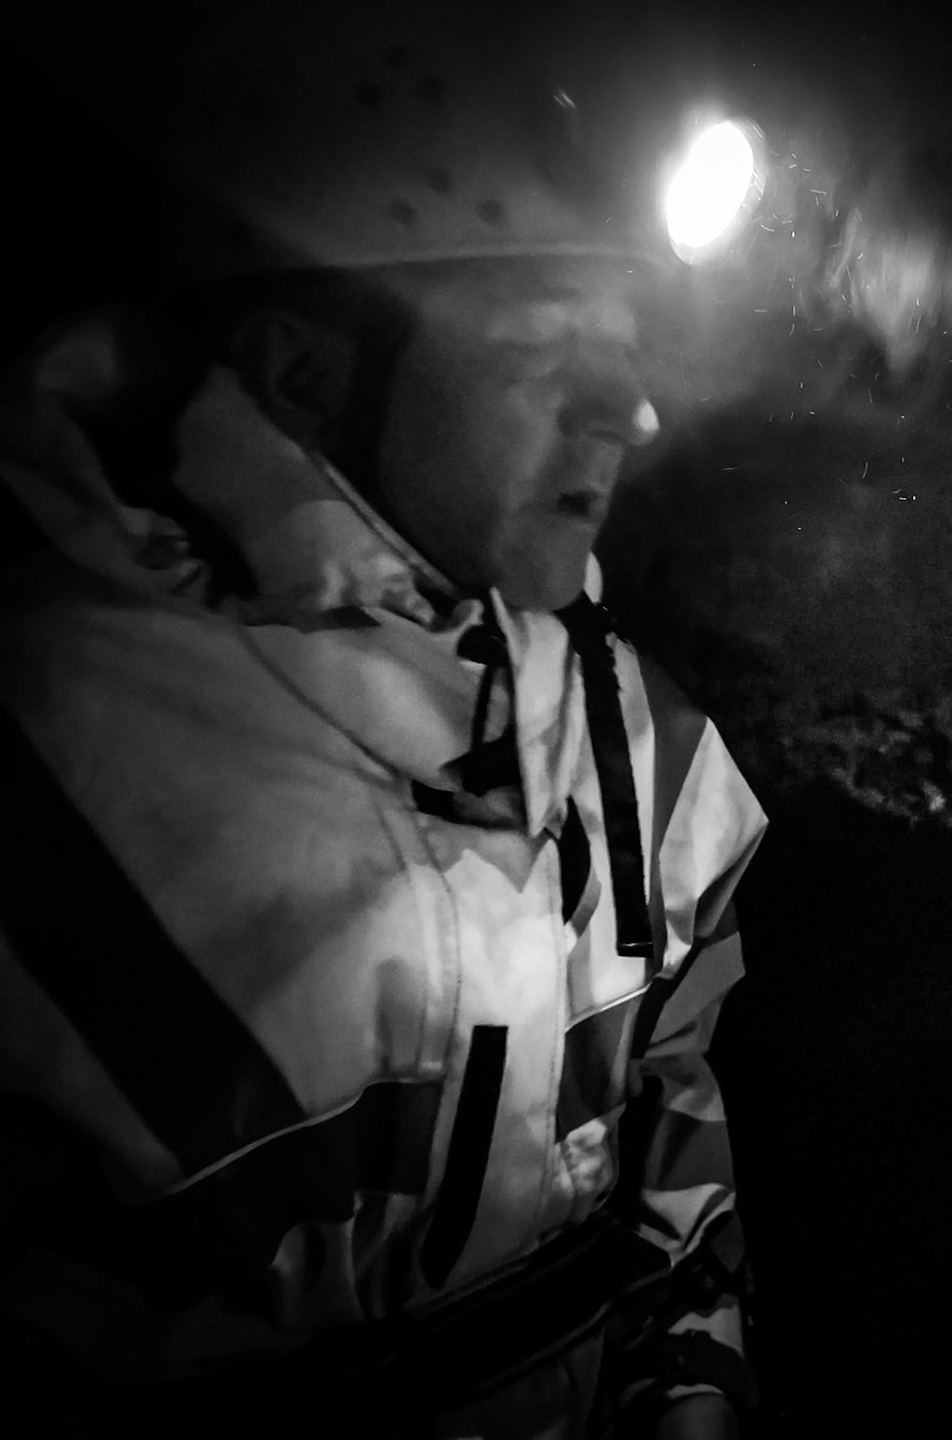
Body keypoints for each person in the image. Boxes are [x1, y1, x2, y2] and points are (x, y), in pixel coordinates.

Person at [0, 5, 769, 1437]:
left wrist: (693, 1393)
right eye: (544, 345)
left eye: (628, 345)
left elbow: (673, 1121)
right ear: (305, 378)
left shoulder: (634, 742)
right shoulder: (46, 766)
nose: (633, 411)